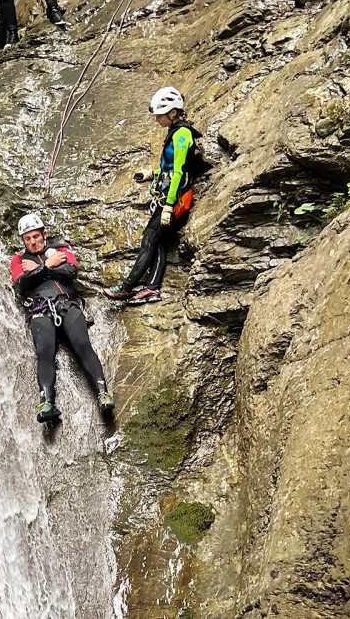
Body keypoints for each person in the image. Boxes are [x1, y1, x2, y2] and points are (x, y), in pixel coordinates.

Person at [103, 87, 206, 305]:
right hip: (170, 194)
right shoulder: (176, 131)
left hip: (176, 198)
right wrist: (152, 174)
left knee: (149, 238)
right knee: (158, 241)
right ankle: (152, 288)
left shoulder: (182, 134)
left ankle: (126, 288)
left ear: (173, 113)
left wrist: (168, 206)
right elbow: (171, 167)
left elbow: (179, 171)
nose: (157, 119)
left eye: (160, 115)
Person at [11, 213, 113, 424]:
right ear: (23, 240)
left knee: (82, 345)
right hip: (40, 309)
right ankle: (46, 403)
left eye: (36, 236)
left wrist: (39, 270)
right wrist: (48, 266)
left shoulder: (61, 248)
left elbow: (70, 271)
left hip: (67, 304)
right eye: (28, 239)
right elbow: (21, 285)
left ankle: (103, 393)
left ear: (44, 234)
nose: (33, 242)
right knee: (44, 353)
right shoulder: (18, 260)